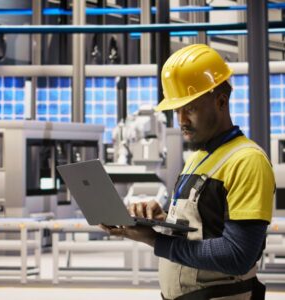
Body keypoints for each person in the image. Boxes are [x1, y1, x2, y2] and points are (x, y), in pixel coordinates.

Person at [100, 44, 275, 300]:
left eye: (190, 108)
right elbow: (201, 227)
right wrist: (160, 221)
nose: (181, 120)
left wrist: (156, 241)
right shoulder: (197, 157)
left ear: (221, 101)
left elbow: (238, 255)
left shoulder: (247, 160)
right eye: (176, 110)